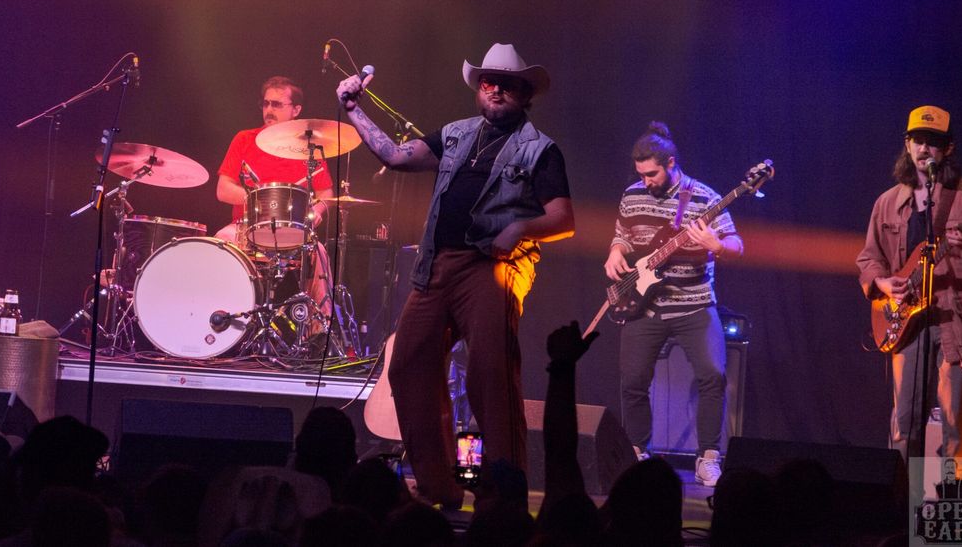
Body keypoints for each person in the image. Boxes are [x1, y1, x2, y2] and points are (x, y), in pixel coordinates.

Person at [336, 42, 575, 509]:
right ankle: (438, 485)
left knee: (490, 375)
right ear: (479, 89)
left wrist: (521, 227)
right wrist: (352, 110)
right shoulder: (456, 134)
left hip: (493, 267)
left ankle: (501, 496)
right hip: (437, 265)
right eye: (489, 82)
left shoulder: (540, 150)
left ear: (525, 94)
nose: (497, 89)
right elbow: (397, 156)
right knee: (406, 366)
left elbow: (564, 220)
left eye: (508, 84)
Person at [856, 105, 962, 470]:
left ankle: (947, 507)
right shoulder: (887, 202)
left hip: (955, 319)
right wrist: (885, 284)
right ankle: (898, 508)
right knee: (904, 422)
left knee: (954, 425)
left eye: (933, 143)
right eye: (918, 140)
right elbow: (869, 259)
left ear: (947, 149)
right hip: (906, 322)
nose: (924, 149)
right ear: (907, 144)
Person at [603, 121, 742, 488]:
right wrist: (615, 252)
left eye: (652, 174)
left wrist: (716, 245)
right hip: (644, 306)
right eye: (641, 174)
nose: (646, 181)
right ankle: (637, 452)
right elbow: (622, 236)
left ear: (671, 163)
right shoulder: (632, 195)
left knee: (713, 375)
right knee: (633, 381)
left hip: (695, 305)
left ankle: (709, 456)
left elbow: (736, 245)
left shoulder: (705, 198)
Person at [215, 76, 335, 328]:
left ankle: (318, 332)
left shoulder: (309, 148)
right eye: (266, 103)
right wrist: (261, 201)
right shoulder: (245, 139)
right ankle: (220, 323)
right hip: (246, 229)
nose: (269, 110)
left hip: (293, 232)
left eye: (277, 104)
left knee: (321, 253)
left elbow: (326, 194)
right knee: (219, 242)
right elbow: (223, 189)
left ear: (296, 110)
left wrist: (318, 209)